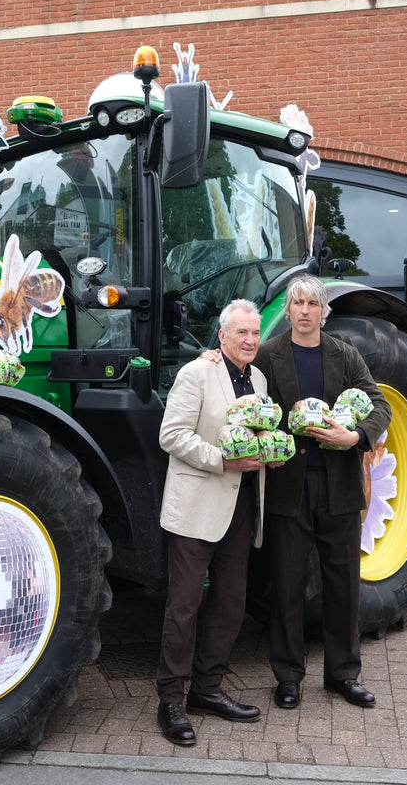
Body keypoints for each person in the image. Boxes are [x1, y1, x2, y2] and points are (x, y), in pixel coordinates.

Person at [254, 275, 390, 710]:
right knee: (288, 585)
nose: (306, 311)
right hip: (288, 486)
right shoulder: (269, 355)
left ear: (323, 311)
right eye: (299, 303)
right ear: (289, 310)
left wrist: (355, 438)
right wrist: (213, 357)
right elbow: (244, 397)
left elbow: (380, 404)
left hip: (340, 486)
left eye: (314, 303)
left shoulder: (345, 355)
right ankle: (289, 677)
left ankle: (343, 675)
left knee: (343, 584)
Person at [154, 299, 269, 747]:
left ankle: (207, 689)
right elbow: (172, 435)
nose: (250, 340)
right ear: (221, 336)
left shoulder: (257, 379)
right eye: (241, 332)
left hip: (241, 507)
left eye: (255, 333)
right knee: (183, 606)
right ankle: (170, 701)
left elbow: (257, 435)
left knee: (229, 603)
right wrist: (224, 460)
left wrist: (268, 455)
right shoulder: (197, 373)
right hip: (197, 506)